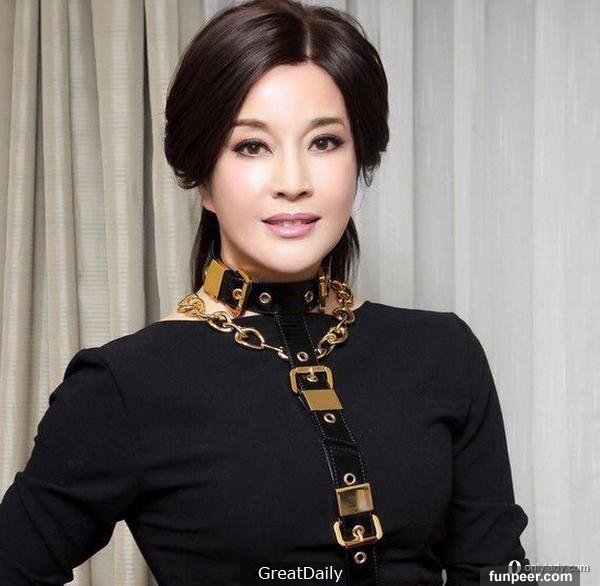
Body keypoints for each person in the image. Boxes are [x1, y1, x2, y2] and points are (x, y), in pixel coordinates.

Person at [0, 1, 534, 584]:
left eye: (324, 142)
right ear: (203, 177)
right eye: (251, 146)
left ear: (359, 160)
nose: (293, 182)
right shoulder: (126, 384)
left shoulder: (444, 351)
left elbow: (500, 570)